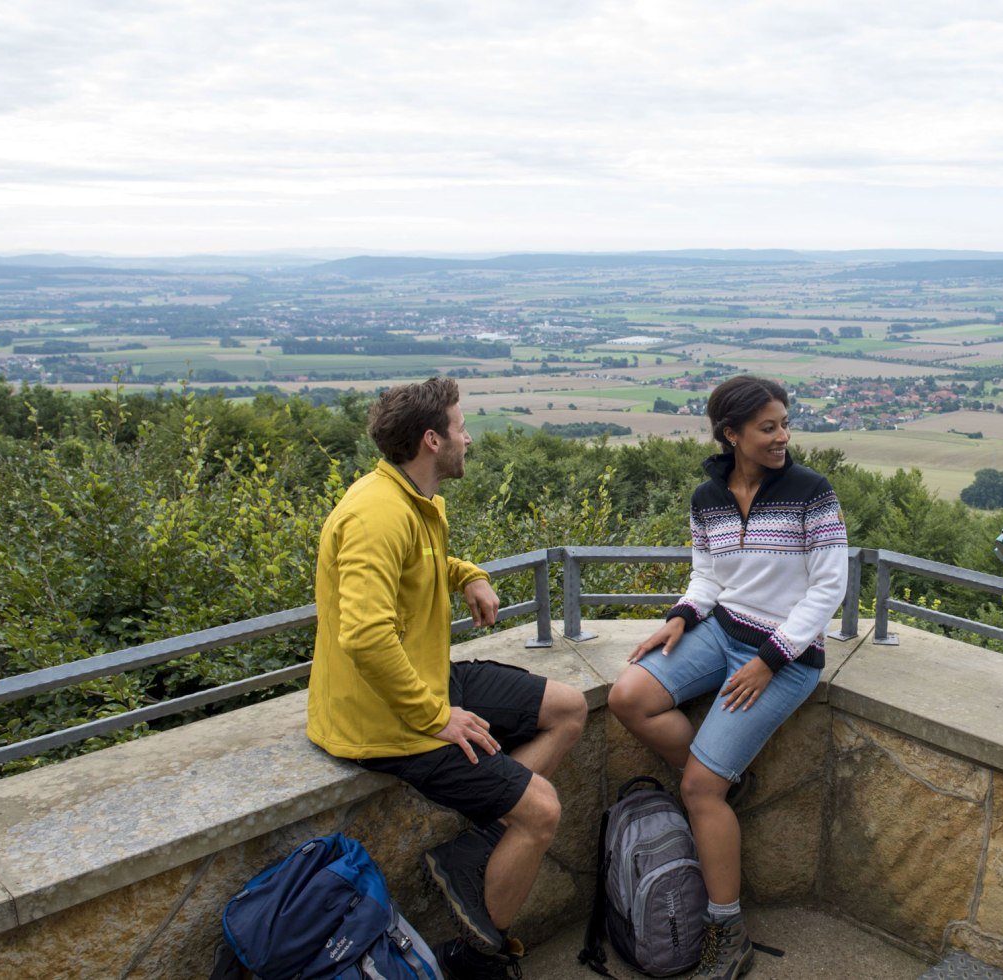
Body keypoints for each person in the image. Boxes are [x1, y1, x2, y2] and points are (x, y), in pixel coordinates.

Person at [307, 377, 587, 980]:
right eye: (461, 426)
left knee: (569, 707)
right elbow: (364, 634)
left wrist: (469, 574)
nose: (468, 437)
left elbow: (423, 564)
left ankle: (483, 836)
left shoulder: (416, 498)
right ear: (432, 440)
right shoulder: (376, 514)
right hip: (388, 721)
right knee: (541, 811)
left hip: (428, 679)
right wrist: (435, 718)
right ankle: (482, 958)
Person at [609, 375, 848, 979]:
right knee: (628, 694)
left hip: (785, 658)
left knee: (697, 791)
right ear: (731, 433)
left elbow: (829, 588)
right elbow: (708, 576)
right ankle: (720, 771)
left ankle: (727, 930)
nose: (783, 437)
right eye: (768, 427)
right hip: (719, 632)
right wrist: (678, 618)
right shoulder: (707, 496)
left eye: (785, 424)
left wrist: (771, 659)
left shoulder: (811, 493)